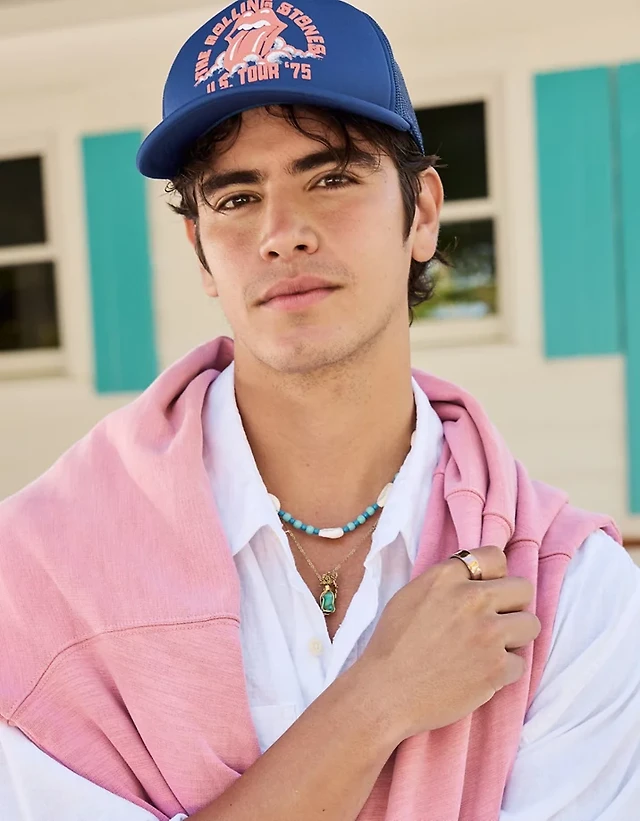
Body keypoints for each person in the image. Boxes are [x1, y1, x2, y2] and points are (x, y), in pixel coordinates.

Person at [1, 0, 639, 819]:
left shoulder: (568, 588)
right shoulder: (40, 575)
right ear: (201, 253)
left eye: (331, 177)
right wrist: (377, 700)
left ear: (422, 213)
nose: (283, 232)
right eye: (236, 198)